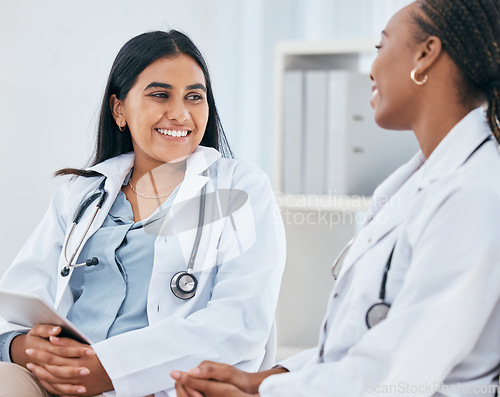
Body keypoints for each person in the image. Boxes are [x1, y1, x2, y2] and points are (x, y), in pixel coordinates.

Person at [171, 0, 500, 395]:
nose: (371, 70)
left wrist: (264, 394)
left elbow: (401, 368)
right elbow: (357, 340)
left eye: (381, 48)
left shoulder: (477, 189)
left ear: (426, 54)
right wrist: (267, 379)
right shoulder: (415, 183)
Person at [0, 30, 286, 397]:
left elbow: (240, 323)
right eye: (160, 94)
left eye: (194, 97)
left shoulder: (239, 188)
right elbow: (18, 300)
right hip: (62, 381)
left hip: (165, 384)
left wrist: (112, 369)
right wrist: (21, 346)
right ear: (119, 109)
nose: (180, 113)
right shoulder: (80, 196)